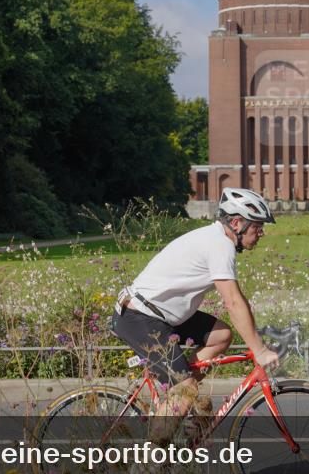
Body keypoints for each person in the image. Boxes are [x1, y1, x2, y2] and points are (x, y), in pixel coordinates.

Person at [110, 188, 280, 443]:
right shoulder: (219, 245)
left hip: (163, 315)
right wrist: (259, 349)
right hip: (140, 316)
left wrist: (256, 339)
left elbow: (238, 299)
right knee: (185, 389)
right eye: (257, 226)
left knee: (221, 336)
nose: (261, 233)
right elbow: (232, 302)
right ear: (236, 223)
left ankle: (178, 399)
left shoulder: (218, 240)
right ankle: (148, 465)